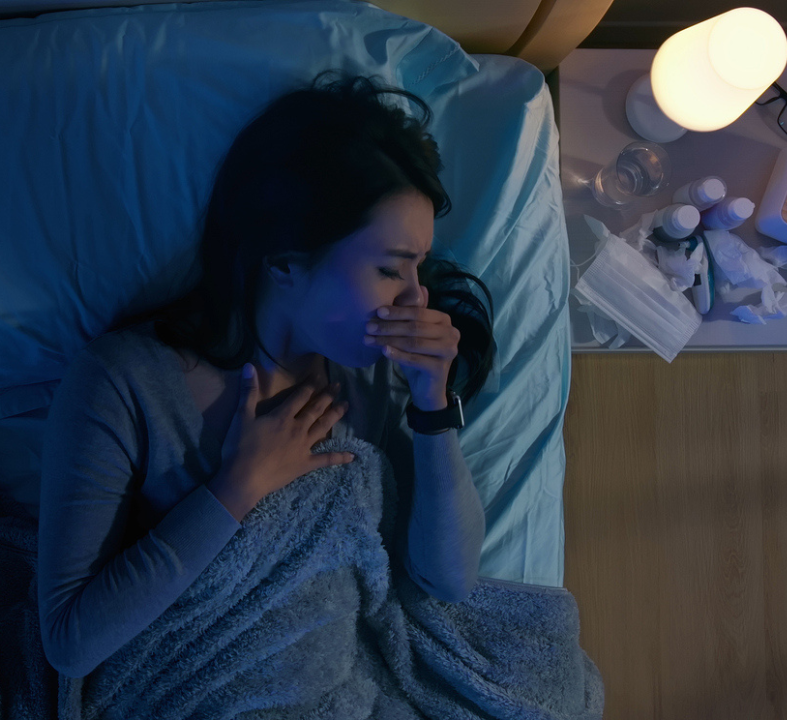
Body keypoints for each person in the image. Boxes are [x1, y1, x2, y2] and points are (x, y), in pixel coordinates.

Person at [37, 70, 496, 680]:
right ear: (284, 262)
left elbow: (449, 580)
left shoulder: (379, 376)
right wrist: (235, 489)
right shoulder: (124, 383)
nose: (417, 301)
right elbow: (69, 643)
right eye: (391, 271)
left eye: (420, 268)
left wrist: (434, 408)